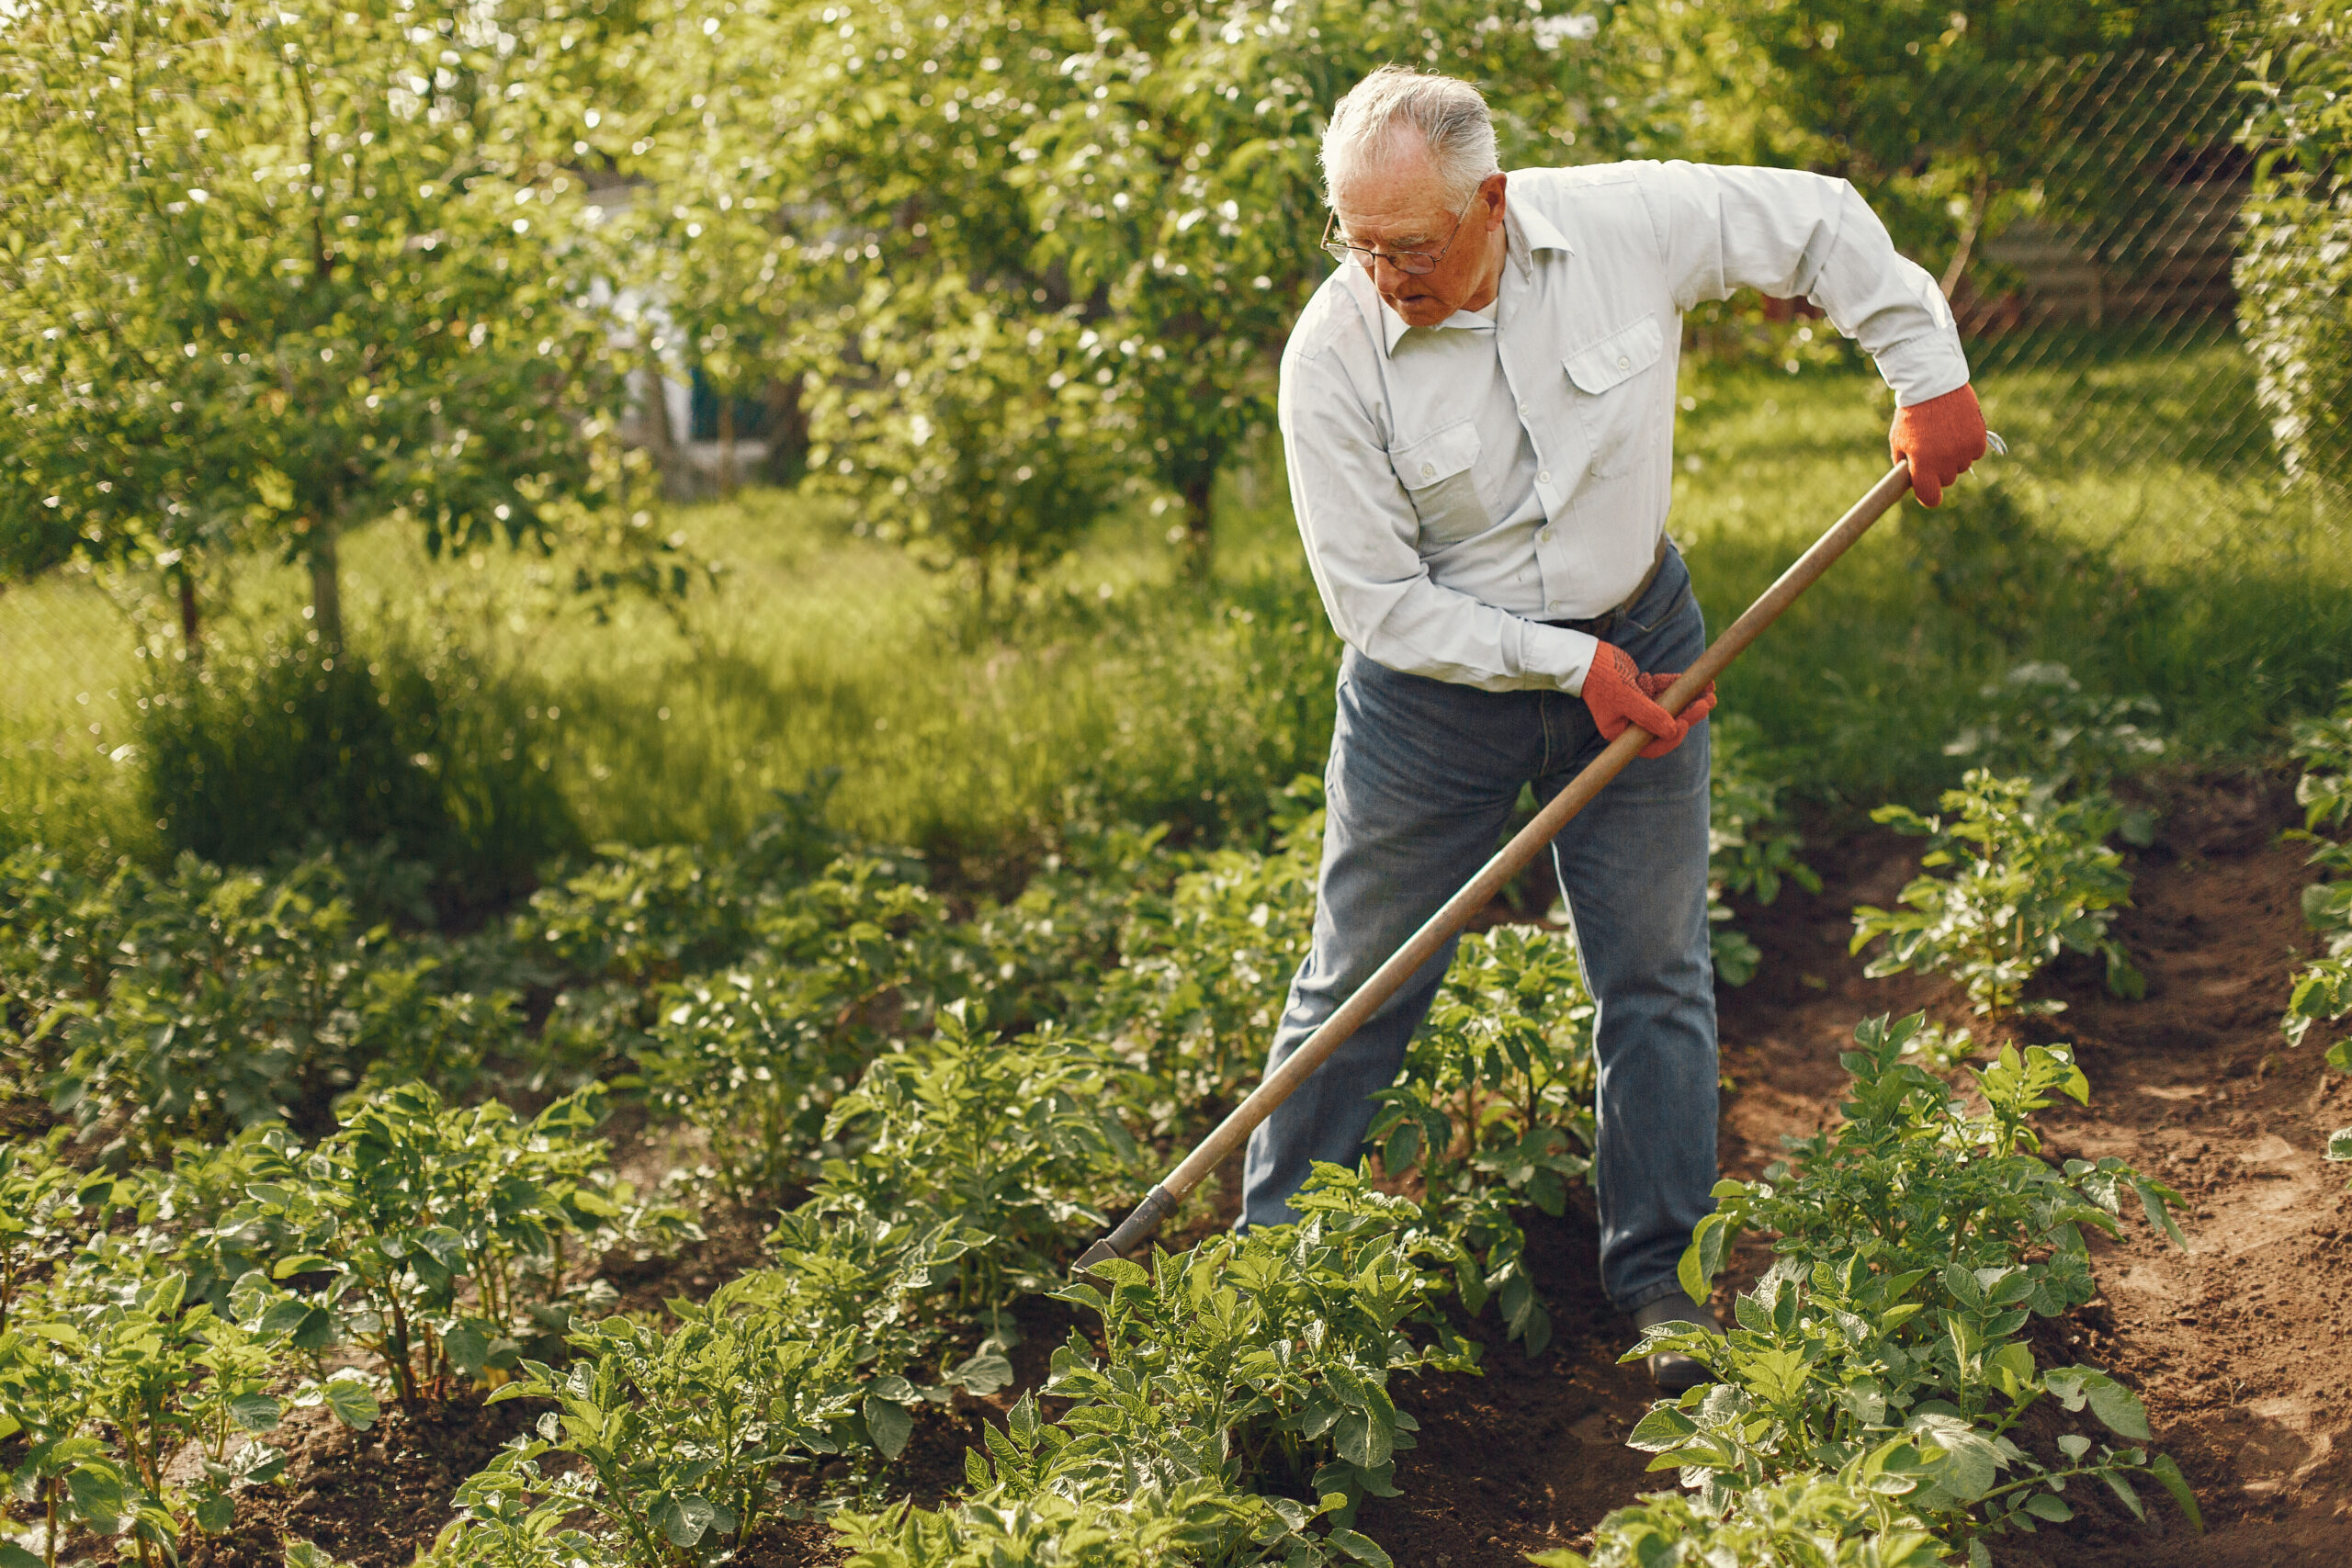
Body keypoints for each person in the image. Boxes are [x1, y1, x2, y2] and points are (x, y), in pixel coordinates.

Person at [1255, 65, 1986, 1390]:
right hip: (1437, 702)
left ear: (1490, 201)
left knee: (1655, 977)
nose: (1382, 274)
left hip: (1641, 639)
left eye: (1409, 245)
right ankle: (1267, 1284)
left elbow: (1817, 223)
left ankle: (1662, 1280)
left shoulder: (1623, 223)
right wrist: (1559, 664)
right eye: (1356, 242)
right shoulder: (1334, 356)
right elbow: (1375, 604)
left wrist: (1925, 373)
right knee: (1360, 985)